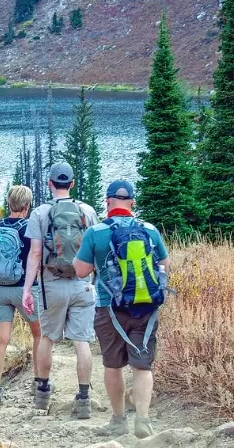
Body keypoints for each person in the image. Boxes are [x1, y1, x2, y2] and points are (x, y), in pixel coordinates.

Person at [73, 180, 170, 439]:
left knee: (113, 365)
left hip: (109, 308)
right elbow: (164, 264)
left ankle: (118, 421)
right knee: (142, 365)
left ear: (107, 202)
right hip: (145, 307)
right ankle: (143, 420)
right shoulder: (150, 230)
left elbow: (81, 271)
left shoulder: (95, 232)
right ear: (132, 203)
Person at [22, 162, 99, 417]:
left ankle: (42, 395)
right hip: (82, 283)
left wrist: (27, 289)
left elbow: (35, 253)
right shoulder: (87, 211)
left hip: (51, 283)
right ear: (72, 183)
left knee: (47, 338)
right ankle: (84, 398)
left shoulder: (40, 213)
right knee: (81, 341)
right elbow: (95, 249)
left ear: (50, 184)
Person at [0, 185, 42, 407]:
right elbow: (37, 258)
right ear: (27, 206)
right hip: (25, 289)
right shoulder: (30, 228)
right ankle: (39, 382)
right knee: (39, 335)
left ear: (9, 204)